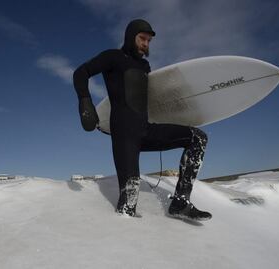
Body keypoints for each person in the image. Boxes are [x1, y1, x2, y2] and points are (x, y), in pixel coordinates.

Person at [73, 19, 211, 221]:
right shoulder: (113, 57)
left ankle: (180, 201)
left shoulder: (145, 66)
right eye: (142, 39)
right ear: (131, 37)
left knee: (198, 138)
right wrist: (85, 102)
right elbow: (81, 73)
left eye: (149, 40)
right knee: (129, 201)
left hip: (146, 130)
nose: (146, 44)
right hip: (124, 136)